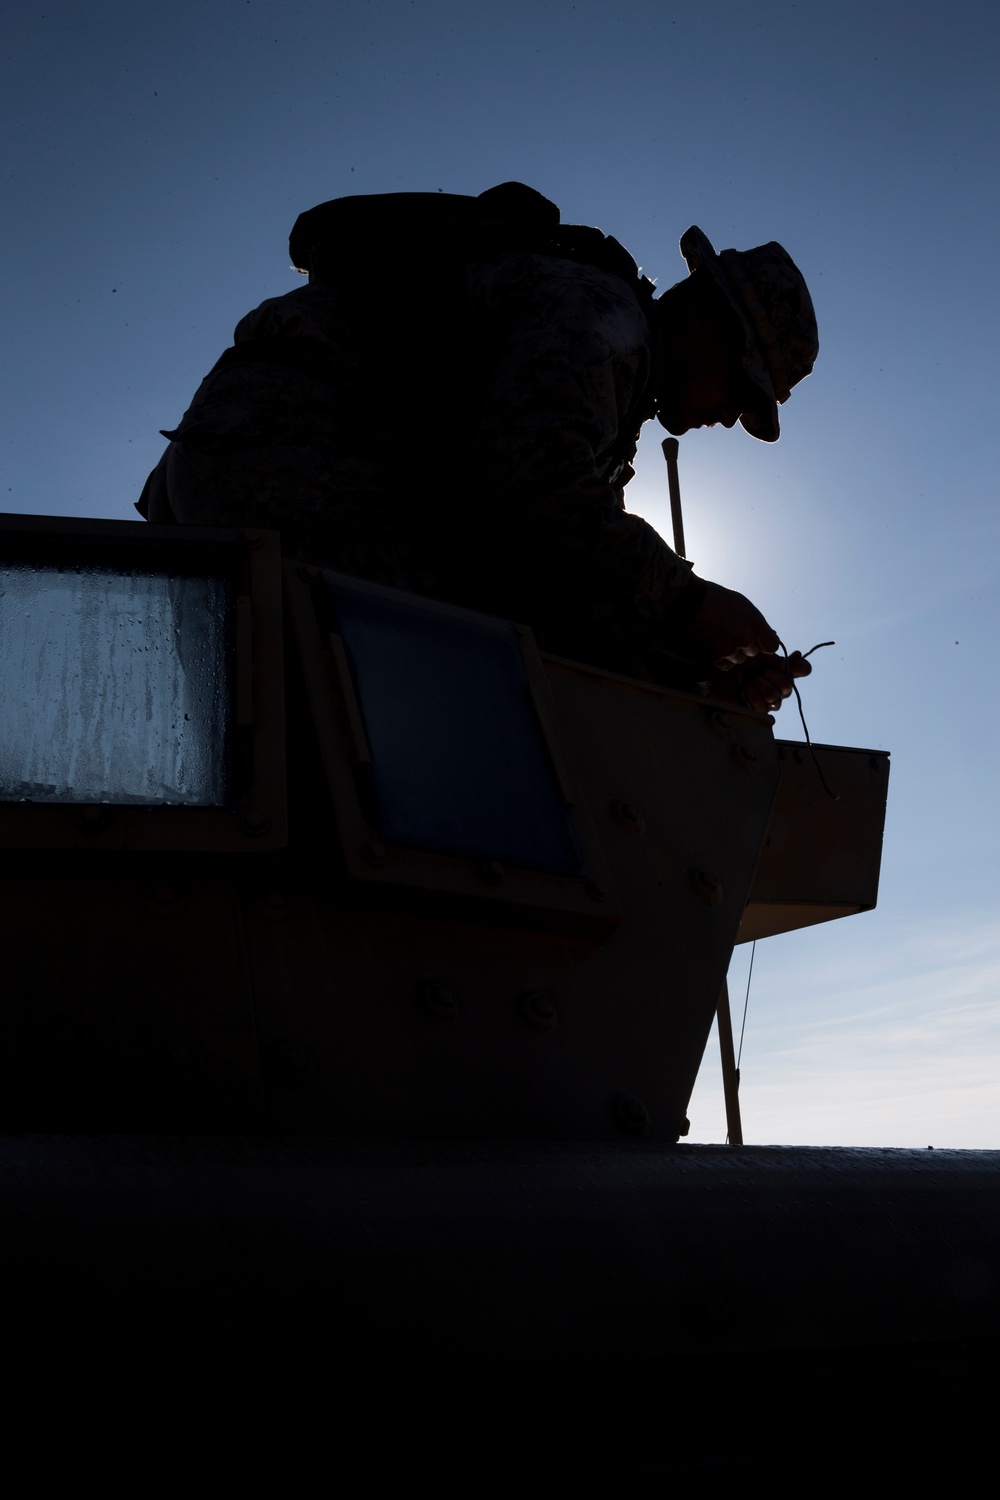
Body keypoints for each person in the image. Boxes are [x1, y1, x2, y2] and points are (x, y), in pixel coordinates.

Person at [137, 183, 818, 712]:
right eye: (742, 387)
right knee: (497, 685)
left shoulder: (608, 368)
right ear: (704, 319)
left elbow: (571, 568)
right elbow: (534, 498)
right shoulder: (602, 317)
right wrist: (694, 607)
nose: (731, 416)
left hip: (246, 470)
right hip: (295, 470)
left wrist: (698, 673)